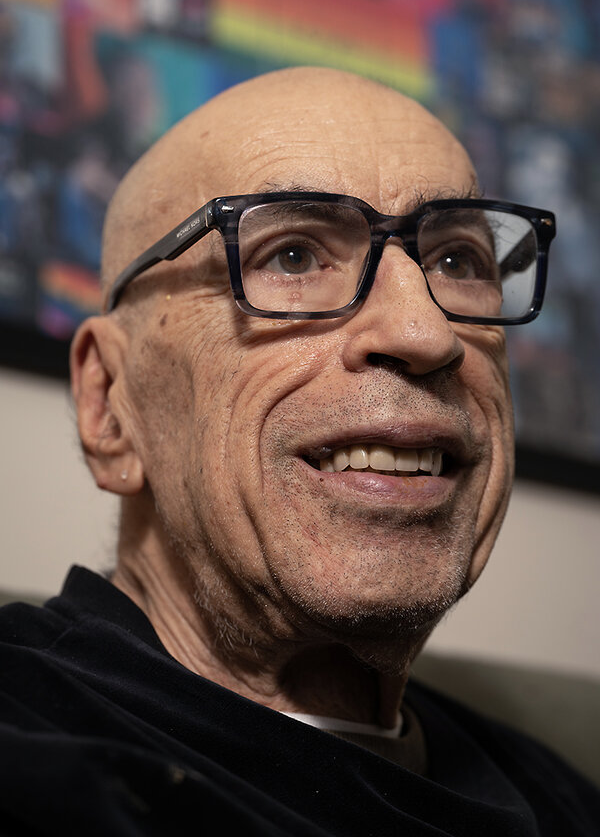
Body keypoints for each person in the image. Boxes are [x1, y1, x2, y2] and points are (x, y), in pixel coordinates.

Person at [0, 67, 597, 835]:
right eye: (291, 256)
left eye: (457, 262)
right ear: (108, 403)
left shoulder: (565, 798)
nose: (425, 333)